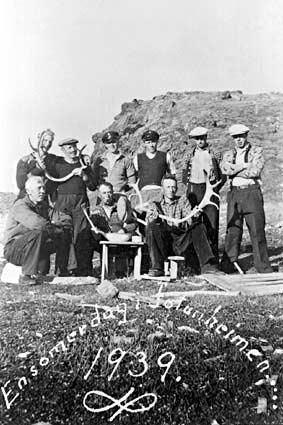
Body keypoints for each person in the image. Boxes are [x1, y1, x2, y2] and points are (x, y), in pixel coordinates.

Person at [220, 124, 273, 273]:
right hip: (234, 194)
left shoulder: (257, 151)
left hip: (251, 193)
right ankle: (228, 265)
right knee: (233, 229)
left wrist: (234, 170)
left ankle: (262, 265)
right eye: (236, 137)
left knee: (257, 229)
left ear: (246, 136)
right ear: (232, 139)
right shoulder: (228, 154)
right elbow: (225, 170)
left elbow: (255, 171)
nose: (239, 140)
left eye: (241, 136)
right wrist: (244, 166)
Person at [145, 175, 218, 277]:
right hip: (164, 241)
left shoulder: (182, 201)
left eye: (173, 187)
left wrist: (194, 214)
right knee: (152, 226)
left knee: (198, 226)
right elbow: (148, 219)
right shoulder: (155, 204)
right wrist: (155, 219)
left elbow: (188, 219)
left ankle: (207, 266)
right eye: (168, 187)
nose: (171, 190)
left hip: (180, 241)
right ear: (163, 188)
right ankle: (157, 267)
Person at [3, 176, 69, 284]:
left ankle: (62, 270)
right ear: (29, 191)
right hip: (14, 249)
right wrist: (56, 228)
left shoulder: (42, 206)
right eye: (39, 188)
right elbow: (38, 224)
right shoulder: (20, 205)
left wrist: (63, 225)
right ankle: (26, 276)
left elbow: (62, 217)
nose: (43, 191)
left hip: (31, 246)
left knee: (64, 232)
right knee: (38, 232)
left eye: (43, 188)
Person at [46, 138, 97, 276]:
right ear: (63, 150)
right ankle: (63, 270)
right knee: (64, 235)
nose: (73, 150)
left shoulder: (83, 163)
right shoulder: (58, 164)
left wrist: (84, 175)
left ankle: (83, 270)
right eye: (69, 148)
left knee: (82, 234)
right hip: (63, 202)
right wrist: (54, 203)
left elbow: (93, 186)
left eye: (74, 147)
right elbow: (50, 186)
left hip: (80, 202)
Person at [182, 126, 225, 261]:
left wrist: (215, 188)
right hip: (194, 191)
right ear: (194, 140)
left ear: (206, 138)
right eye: (197, 139)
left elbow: (223, 175)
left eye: (202, 138)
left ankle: (212, 260)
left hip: (210, 191)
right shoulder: (189, 155)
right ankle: (194, 260)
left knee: (211, 224)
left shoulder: (215, 154)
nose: (200, 141)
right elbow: (184, 176)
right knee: (194, 223)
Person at [90, 182, 138, 277]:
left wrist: (124, 230)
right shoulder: (96, 210)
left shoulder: (121, 207)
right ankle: (102, 272)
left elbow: (134, 223)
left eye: (109, 192)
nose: (107, 196)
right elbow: (92, 225)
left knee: (124, 244)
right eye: (104, 193)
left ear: (112, 193)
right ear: (99, 195)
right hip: (103, 238)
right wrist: (96, 230)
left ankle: (121, 272)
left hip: (120, 239)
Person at [133, 130, 176, 204]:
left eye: (153, 142)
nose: (151, 145)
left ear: (157, 142)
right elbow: (134, 177)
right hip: (144, 193)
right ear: (144, 144)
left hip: (160, 192)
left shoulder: (166, 156)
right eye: (148, 142)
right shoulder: (138, 158)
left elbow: (173, 173)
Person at [16, 129, 57, 201]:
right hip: (25, 200)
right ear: (39, 139)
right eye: (45, 140)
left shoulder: (53, 160)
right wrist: (38, 169)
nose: (47, 144)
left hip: (43, 202)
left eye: (50, 142)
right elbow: (21, 184)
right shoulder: (25, 160)